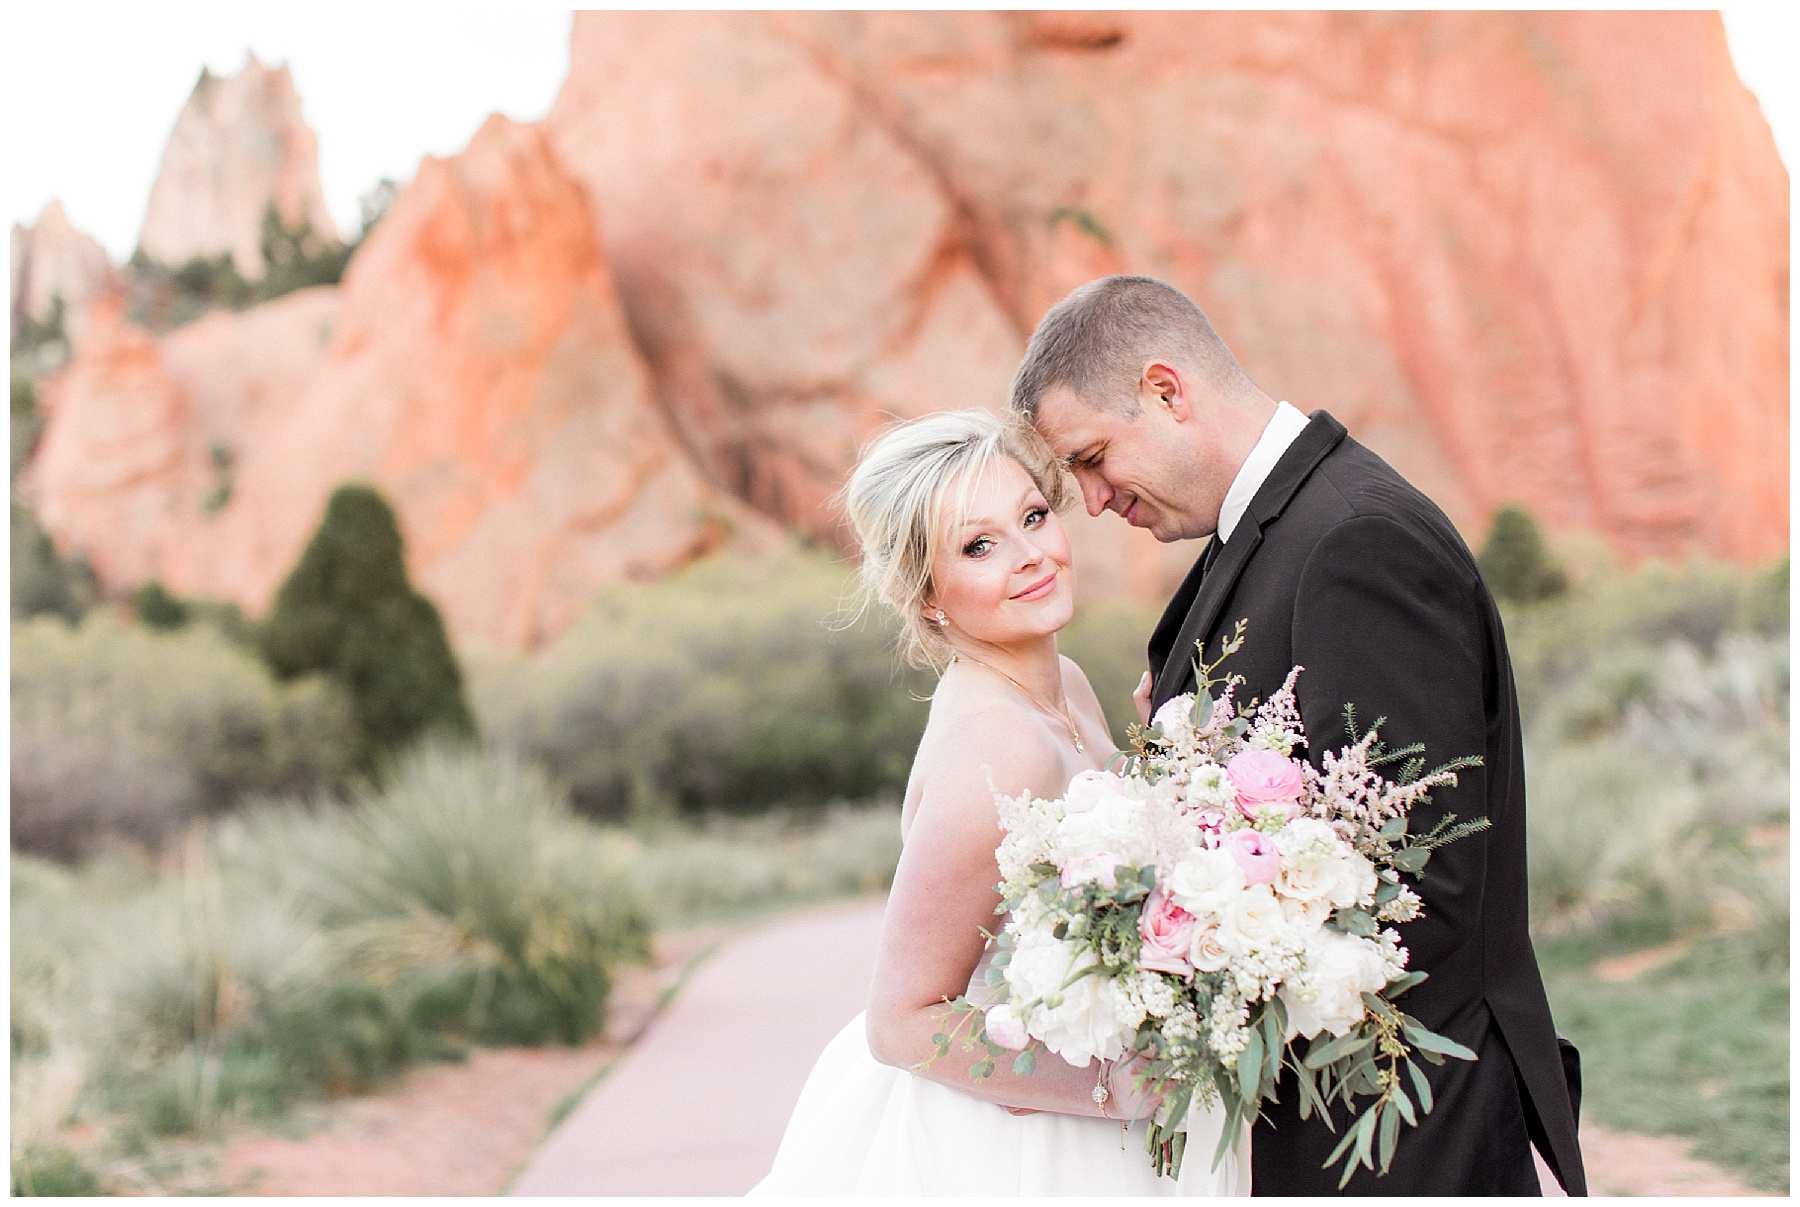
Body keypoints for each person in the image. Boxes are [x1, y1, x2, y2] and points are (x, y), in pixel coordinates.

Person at [1009, 275, 1587, 1196]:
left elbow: (1419, 879)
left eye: (1092, 457)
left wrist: (1182, 943)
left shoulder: (1357, 539)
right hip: (1312, 1116)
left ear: (1167, 390)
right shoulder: (1269, 534)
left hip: (1399, 1128)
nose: (1091, 499)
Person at [751, 410, 1246, 1196]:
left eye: (1034, 516)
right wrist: (1110, 1085)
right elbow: (902, 1018)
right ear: (929, 596)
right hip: (1016, 1145)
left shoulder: (1068, 684)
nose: (1032, 556)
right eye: (979, 546)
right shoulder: (997, 746)